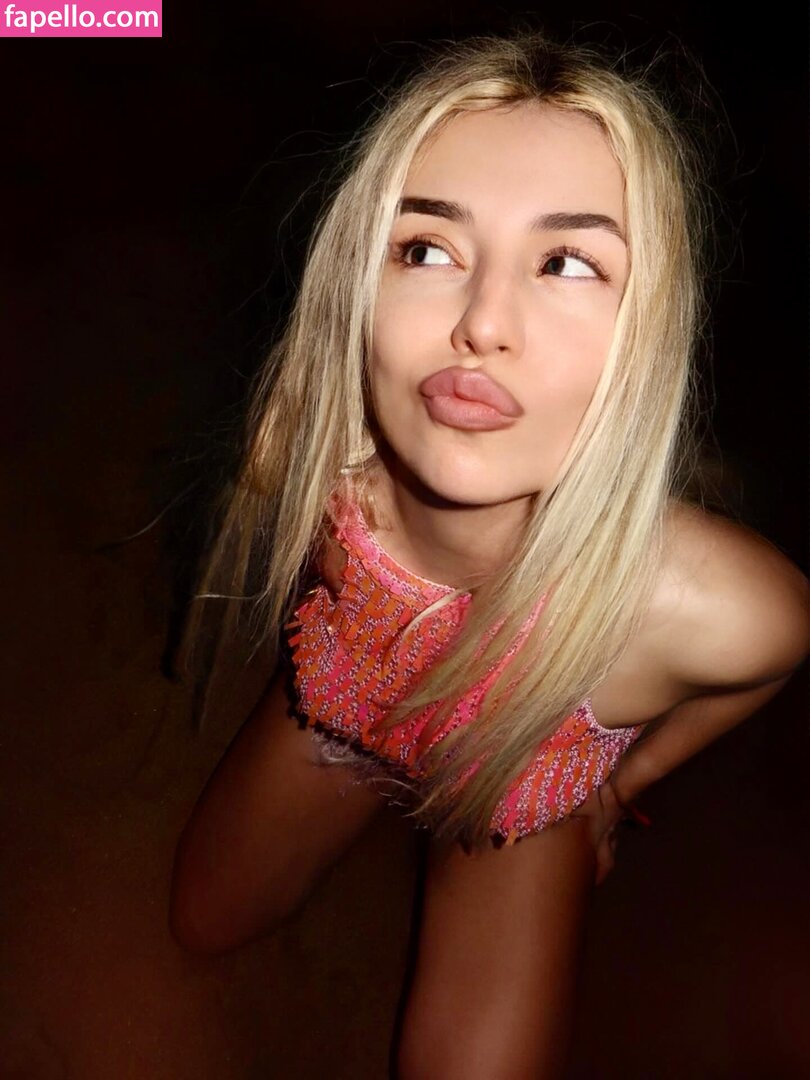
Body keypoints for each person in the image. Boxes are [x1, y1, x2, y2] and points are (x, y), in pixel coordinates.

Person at [169, 32, 808, 1078]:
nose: (482, 324)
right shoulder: (306, 463)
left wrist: (620, 784)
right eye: (426, 249)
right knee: (203, 920)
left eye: (568, 264)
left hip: (521, 776)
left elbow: (773, 657)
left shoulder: (714, 604)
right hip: (355, 702)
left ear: (649, 336)